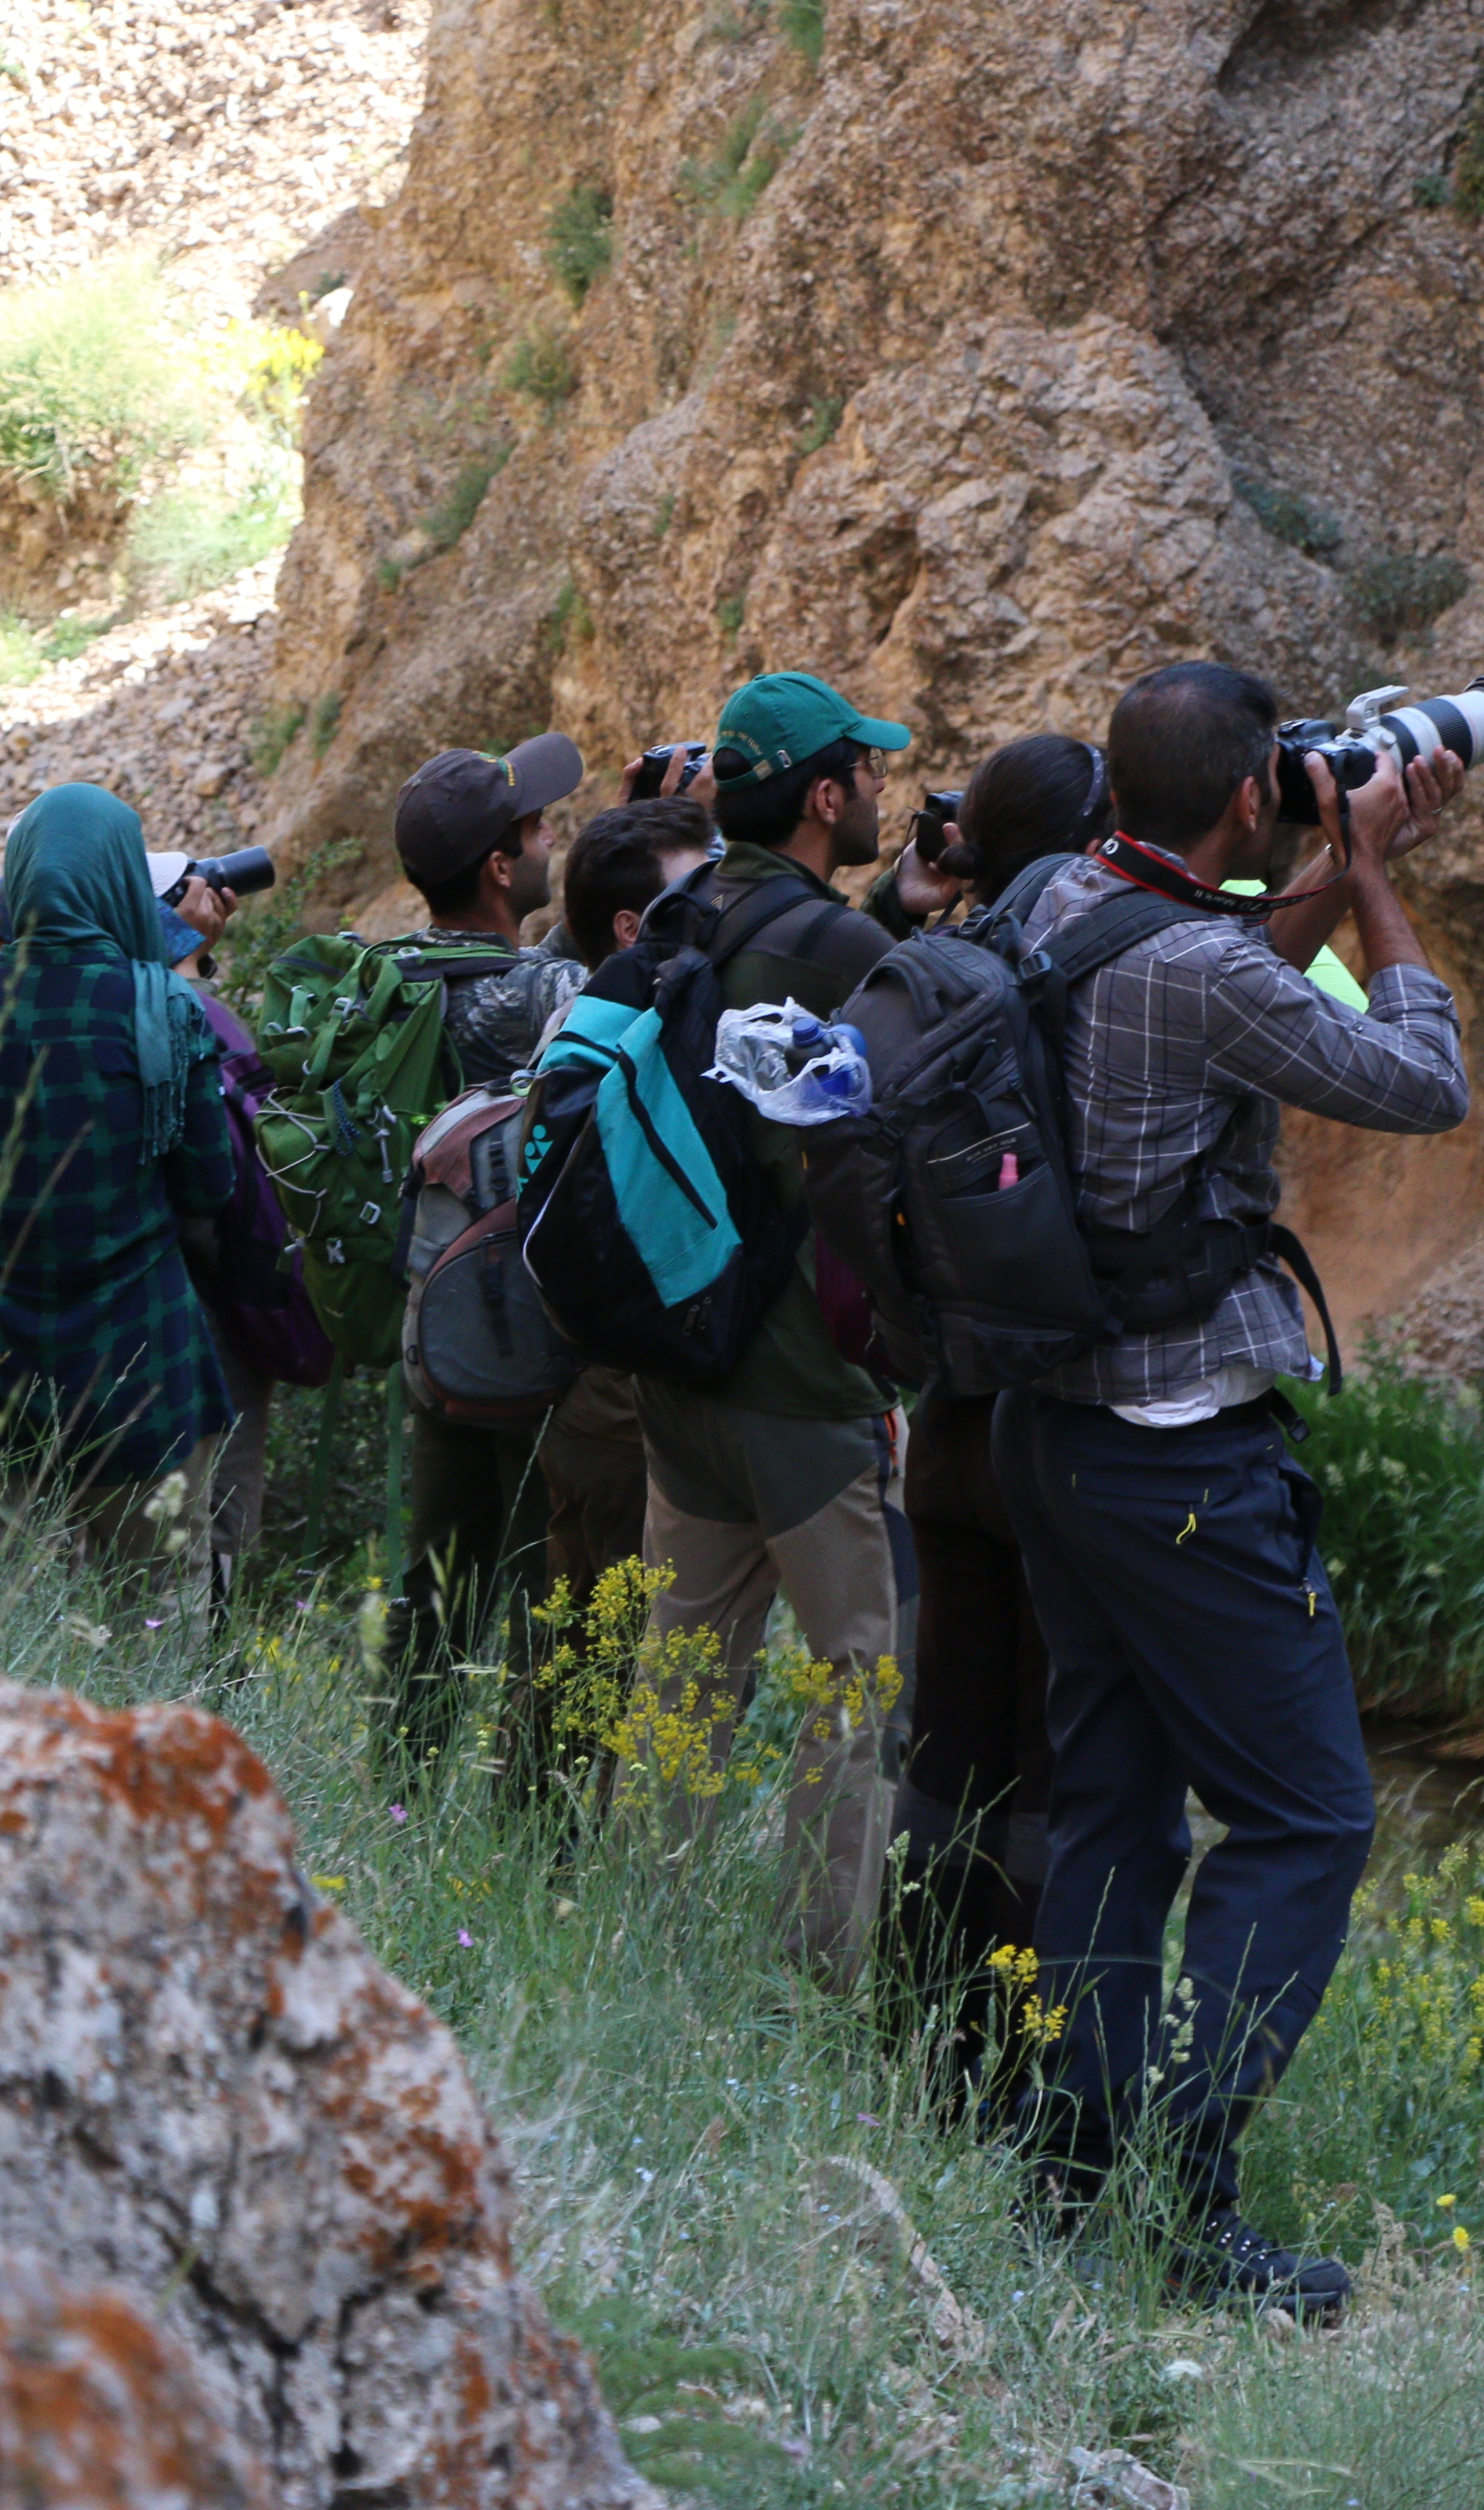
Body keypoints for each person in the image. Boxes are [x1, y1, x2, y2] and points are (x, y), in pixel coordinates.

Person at [997, 661, 1467, 2319]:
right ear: (1249, 795)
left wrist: (1310, 876)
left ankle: (1062, 2176)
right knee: (1306, 1819)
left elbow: (1196, 996)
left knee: (1113, 1816)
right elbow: (1419, 1082)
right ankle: (1186, 2210)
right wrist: (1382, 893)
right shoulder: (1199, 965)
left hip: (1043, 1436)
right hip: (1175, 1449)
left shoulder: (1059, 892)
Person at [632, 672, 914, 1991]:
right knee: (855, 1688)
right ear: (822, 793)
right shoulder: (838, 949)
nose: (880, 791)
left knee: (681, 1679)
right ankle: (814, 1976)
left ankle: (650, 1949)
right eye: (865, 771)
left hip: (680, 1360)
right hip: (801, 1385)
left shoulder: (686, 909)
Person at [863, 736, 1113, 2070]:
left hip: (942, 1417)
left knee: (942, 1747)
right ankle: (1014, 2059)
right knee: (1049, 1761)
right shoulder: (1089, 967)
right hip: (1046, 1423)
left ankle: (910, 2025)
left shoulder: (939, 974)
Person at [0, 786, 246, 1627]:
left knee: (4, 1633)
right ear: (125, 877)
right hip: (141, 1376)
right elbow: (211, 1187)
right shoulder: (160, 1005)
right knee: (155, 1631)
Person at [383, 732, 590, 1749]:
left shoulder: (397, 981)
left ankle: (399, 1780)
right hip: (528, 1333)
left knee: (434, 1572)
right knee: (544, 1583)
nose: (553, 838)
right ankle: (531, 1812)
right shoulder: (541, 996)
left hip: (429, 1326)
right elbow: (591, 989)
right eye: (539, 829)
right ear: (503, 868)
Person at [528, 797, 718, 1691]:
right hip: (612, 1390)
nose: (725, 907)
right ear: (633, 928)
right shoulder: (610, 1036)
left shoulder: (609, 1012)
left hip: (610, 1387)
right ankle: (559, 1829)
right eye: (702, 889)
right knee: (602, 1654)